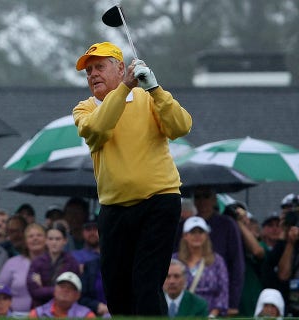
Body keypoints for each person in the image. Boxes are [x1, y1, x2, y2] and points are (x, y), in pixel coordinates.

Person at [73, 41, 192, 316]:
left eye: (99, 67)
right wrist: (126, 88)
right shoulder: (84, 109)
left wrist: (156, 89)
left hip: (159, 201)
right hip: (114, 209)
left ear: (121, 68)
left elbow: (181, 126)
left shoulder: (149, 98)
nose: (92, 75)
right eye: (88, 71)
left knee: (146, 283)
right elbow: (99, 129)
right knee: (117, 293)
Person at [185, 187, 244, 316]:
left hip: (218, 299)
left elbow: (236, 265)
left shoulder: (228, 224)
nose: (202, 201)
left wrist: (233, 303)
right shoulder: (185, 225)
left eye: (206, 196)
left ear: (214, 199)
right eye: (198, 197)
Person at [173, 216, 228, 317]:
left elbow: (223, 292)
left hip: (208, 313)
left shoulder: (217, 261)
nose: (197, 235)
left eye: (201, 232)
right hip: (182, 314)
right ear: (185, 235)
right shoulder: (175, 260)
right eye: (193, 232)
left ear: (206, 235)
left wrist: (212, 316)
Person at [0, 223, 47, 315]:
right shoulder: (12, 263)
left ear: (46, 239)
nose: (35, 238)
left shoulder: (53, 263)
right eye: (31, 236)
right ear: (25, 241)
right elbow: (0, 290)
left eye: (39, 235)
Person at [28, 222, 80, 308]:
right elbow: (34, 291)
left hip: (65, 311)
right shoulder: (37, 262)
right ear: (46, 241)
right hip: (39, 310)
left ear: (65, 241)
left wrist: (43, 288)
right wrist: (59, 289)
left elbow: (72, 291)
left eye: (58, 239)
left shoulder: (72, 262)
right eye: (51, 239)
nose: (54, 242)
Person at [73, 214, 108, 317]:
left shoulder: (113, 256)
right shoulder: (74, 256)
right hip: (90, 311)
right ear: (82, 232)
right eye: (88, 229)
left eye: (95, 228)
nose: (92, 232)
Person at [29, 272, 96, 318]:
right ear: (54, 290)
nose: (65, 290)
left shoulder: (87, 316)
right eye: (62, 286)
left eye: (71, 288)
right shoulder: (37, 314)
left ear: (78, 295)